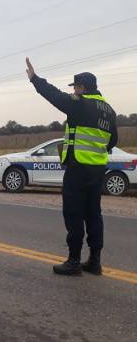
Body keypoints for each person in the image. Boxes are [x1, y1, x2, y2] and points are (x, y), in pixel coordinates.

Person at [26, 57, 118, 276]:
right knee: (94, 214)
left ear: (82, 87)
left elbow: (55, 96)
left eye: (76, 86)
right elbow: (112, 141)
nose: (74, 90)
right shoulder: (109, 110)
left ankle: (74, 261)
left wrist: (35, 79)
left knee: (74, 213)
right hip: (98, 170)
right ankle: (95, 262)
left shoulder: (80, 103)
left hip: (78, 168)